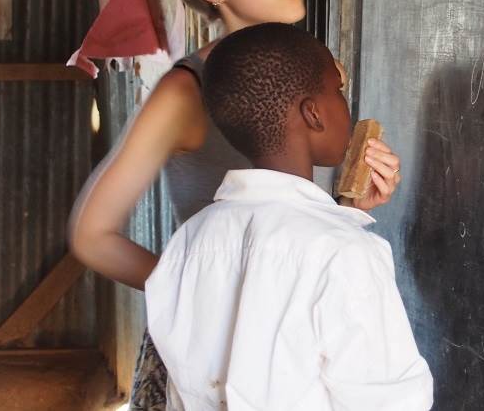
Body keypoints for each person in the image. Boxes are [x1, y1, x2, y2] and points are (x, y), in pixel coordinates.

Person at [68, 0, 403, 410]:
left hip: (290, 340)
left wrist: (349, 212)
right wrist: (206, 290)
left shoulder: (301, 66)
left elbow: (286, 224)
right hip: (206, 354)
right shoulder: (187, 91)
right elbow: (92, 235)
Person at [144, 23, 432, 410]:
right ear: (313, 114)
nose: (346, 103)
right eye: (337, 91)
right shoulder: (344, 255)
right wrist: (341, 226)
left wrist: (344, 213)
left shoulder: (188, 242)